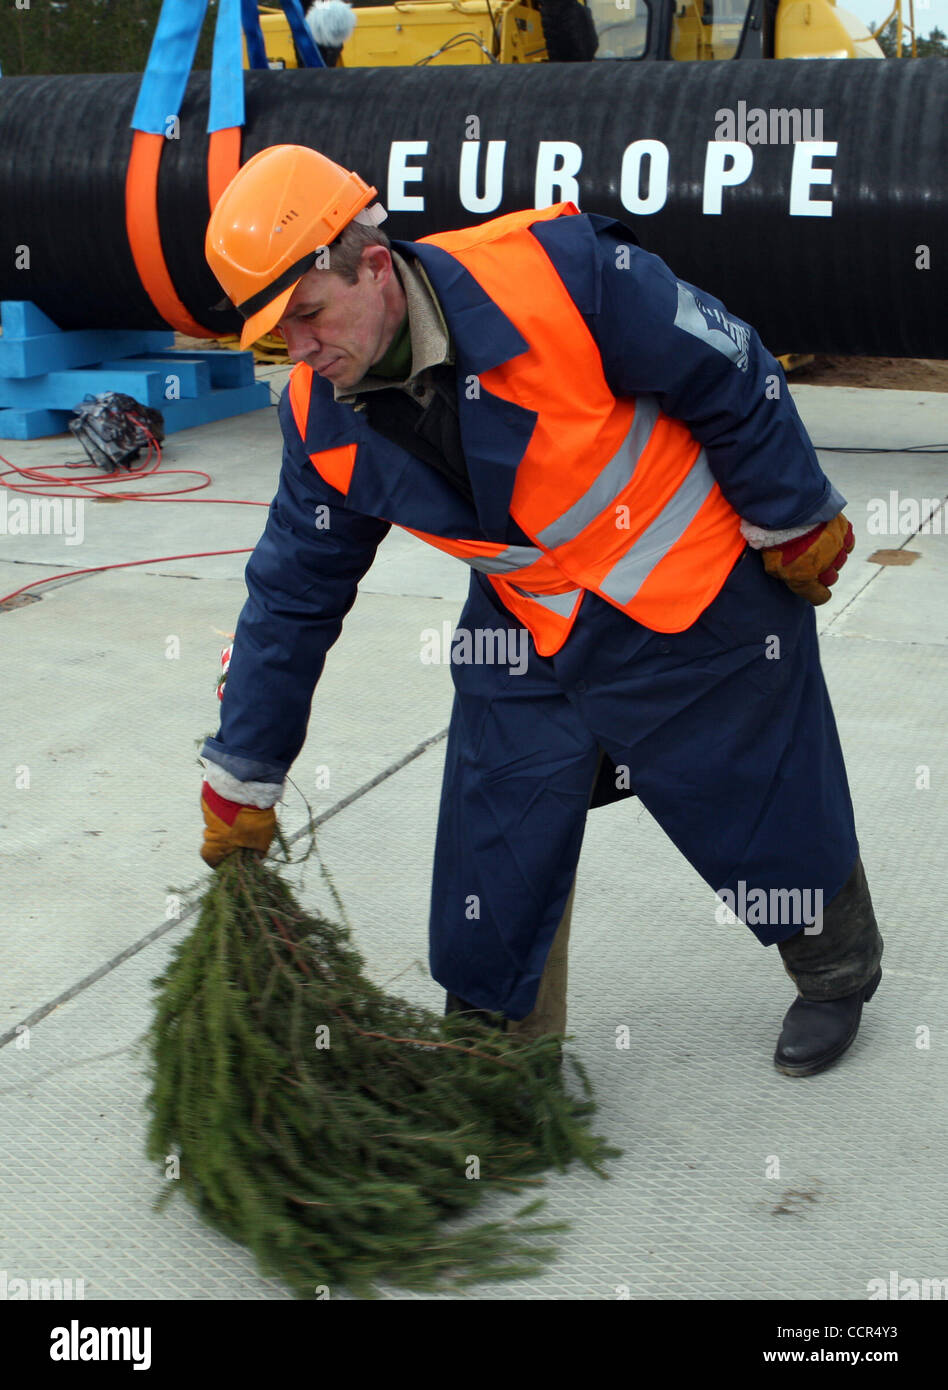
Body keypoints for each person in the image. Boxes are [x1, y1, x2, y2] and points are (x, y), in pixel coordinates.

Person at [199, 143, 883, 1077]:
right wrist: (245, 769)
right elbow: (291, 595)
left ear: (369, 260)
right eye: (278, 339)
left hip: (691, 585)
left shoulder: (560, 276)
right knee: (499, 821)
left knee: (757, 798)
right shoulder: (321, 420)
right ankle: (497, 1058)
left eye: (310, 316)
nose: (303, 353)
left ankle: (837, 969)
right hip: (532, 616)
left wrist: (794, 512)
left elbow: (730, 364)